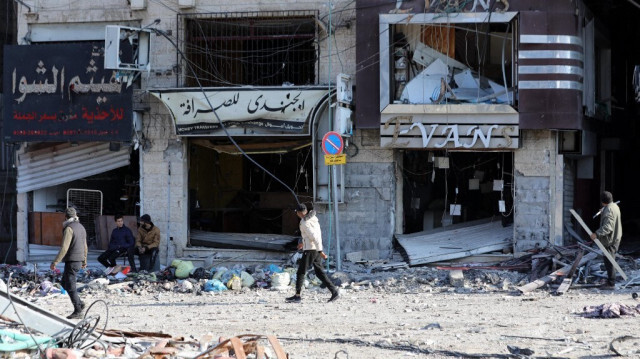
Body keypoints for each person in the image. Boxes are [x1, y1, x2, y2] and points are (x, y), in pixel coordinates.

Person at [286, 203, 339, 303]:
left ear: (300, 213)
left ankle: (297, 296)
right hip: (313, 249)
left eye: (297, 212)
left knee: (301, 272)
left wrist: (320, 251)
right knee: (319, 273)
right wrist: (303, 242)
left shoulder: (304, 222)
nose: (296, 214)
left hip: (310, 250)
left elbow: (314, 237)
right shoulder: (314, 219)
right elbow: (313, 235)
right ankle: (334, 291)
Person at [50, 207, 87, 319]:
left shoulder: (69, 228)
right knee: (64, 283)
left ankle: (78, 310)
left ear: (65, 217)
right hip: (77, 260)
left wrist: (55, 262)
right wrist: (84, 260)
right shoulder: (81, 227)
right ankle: (80, 303)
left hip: (72, 261)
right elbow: (85, 246)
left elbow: (64, 248)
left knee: (70, 285)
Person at [590, 191, 622, 290]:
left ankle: (611, 284)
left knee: (609, 261)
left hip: (611, 240)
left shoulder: (609, 210)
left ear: (603, 201)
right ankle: (610, 280)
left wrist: (597, 234)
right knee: (609, 260)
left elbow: (608, 227)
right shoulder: (614, 206)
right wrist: (604, 210)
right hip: (615, 237)